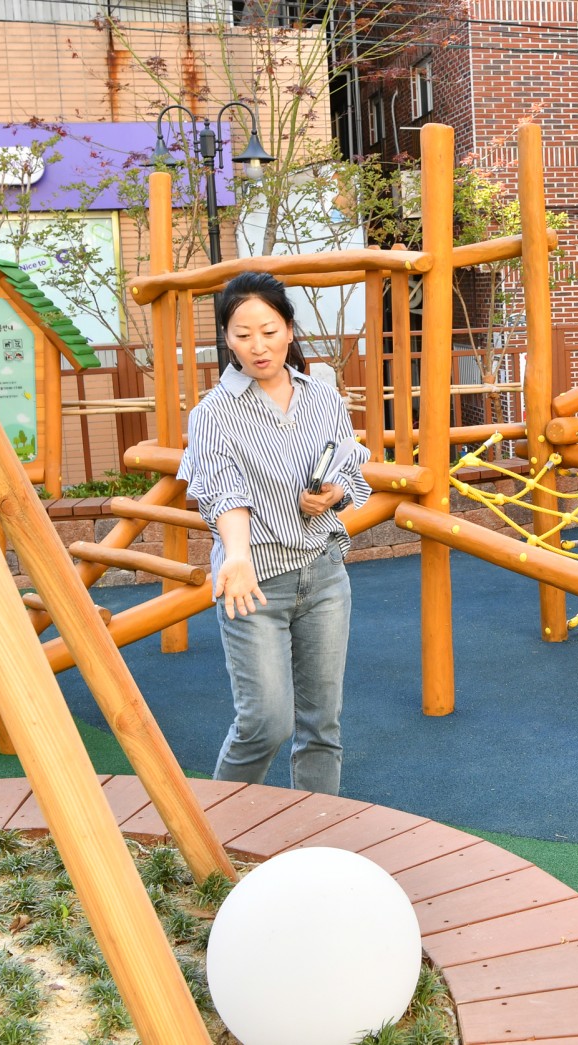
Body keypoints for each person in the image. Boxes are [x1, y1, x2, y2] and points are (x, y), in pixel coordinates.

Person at [179, 271, 370, 794]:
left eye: (268, 331)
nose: (257, 346)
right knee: (264, 723)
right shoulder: (213, 414)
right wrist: (236, 556)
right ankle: (218, 832)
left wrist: (331, 494)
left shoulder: (323, 397)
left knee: (322, 726)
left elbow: (349, 469)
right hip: (254, 582)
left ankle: (313, 834)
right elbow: (225, 493)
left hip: (324, 574)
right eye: (243, 335)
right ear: (227, 338)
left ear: (288, 328)